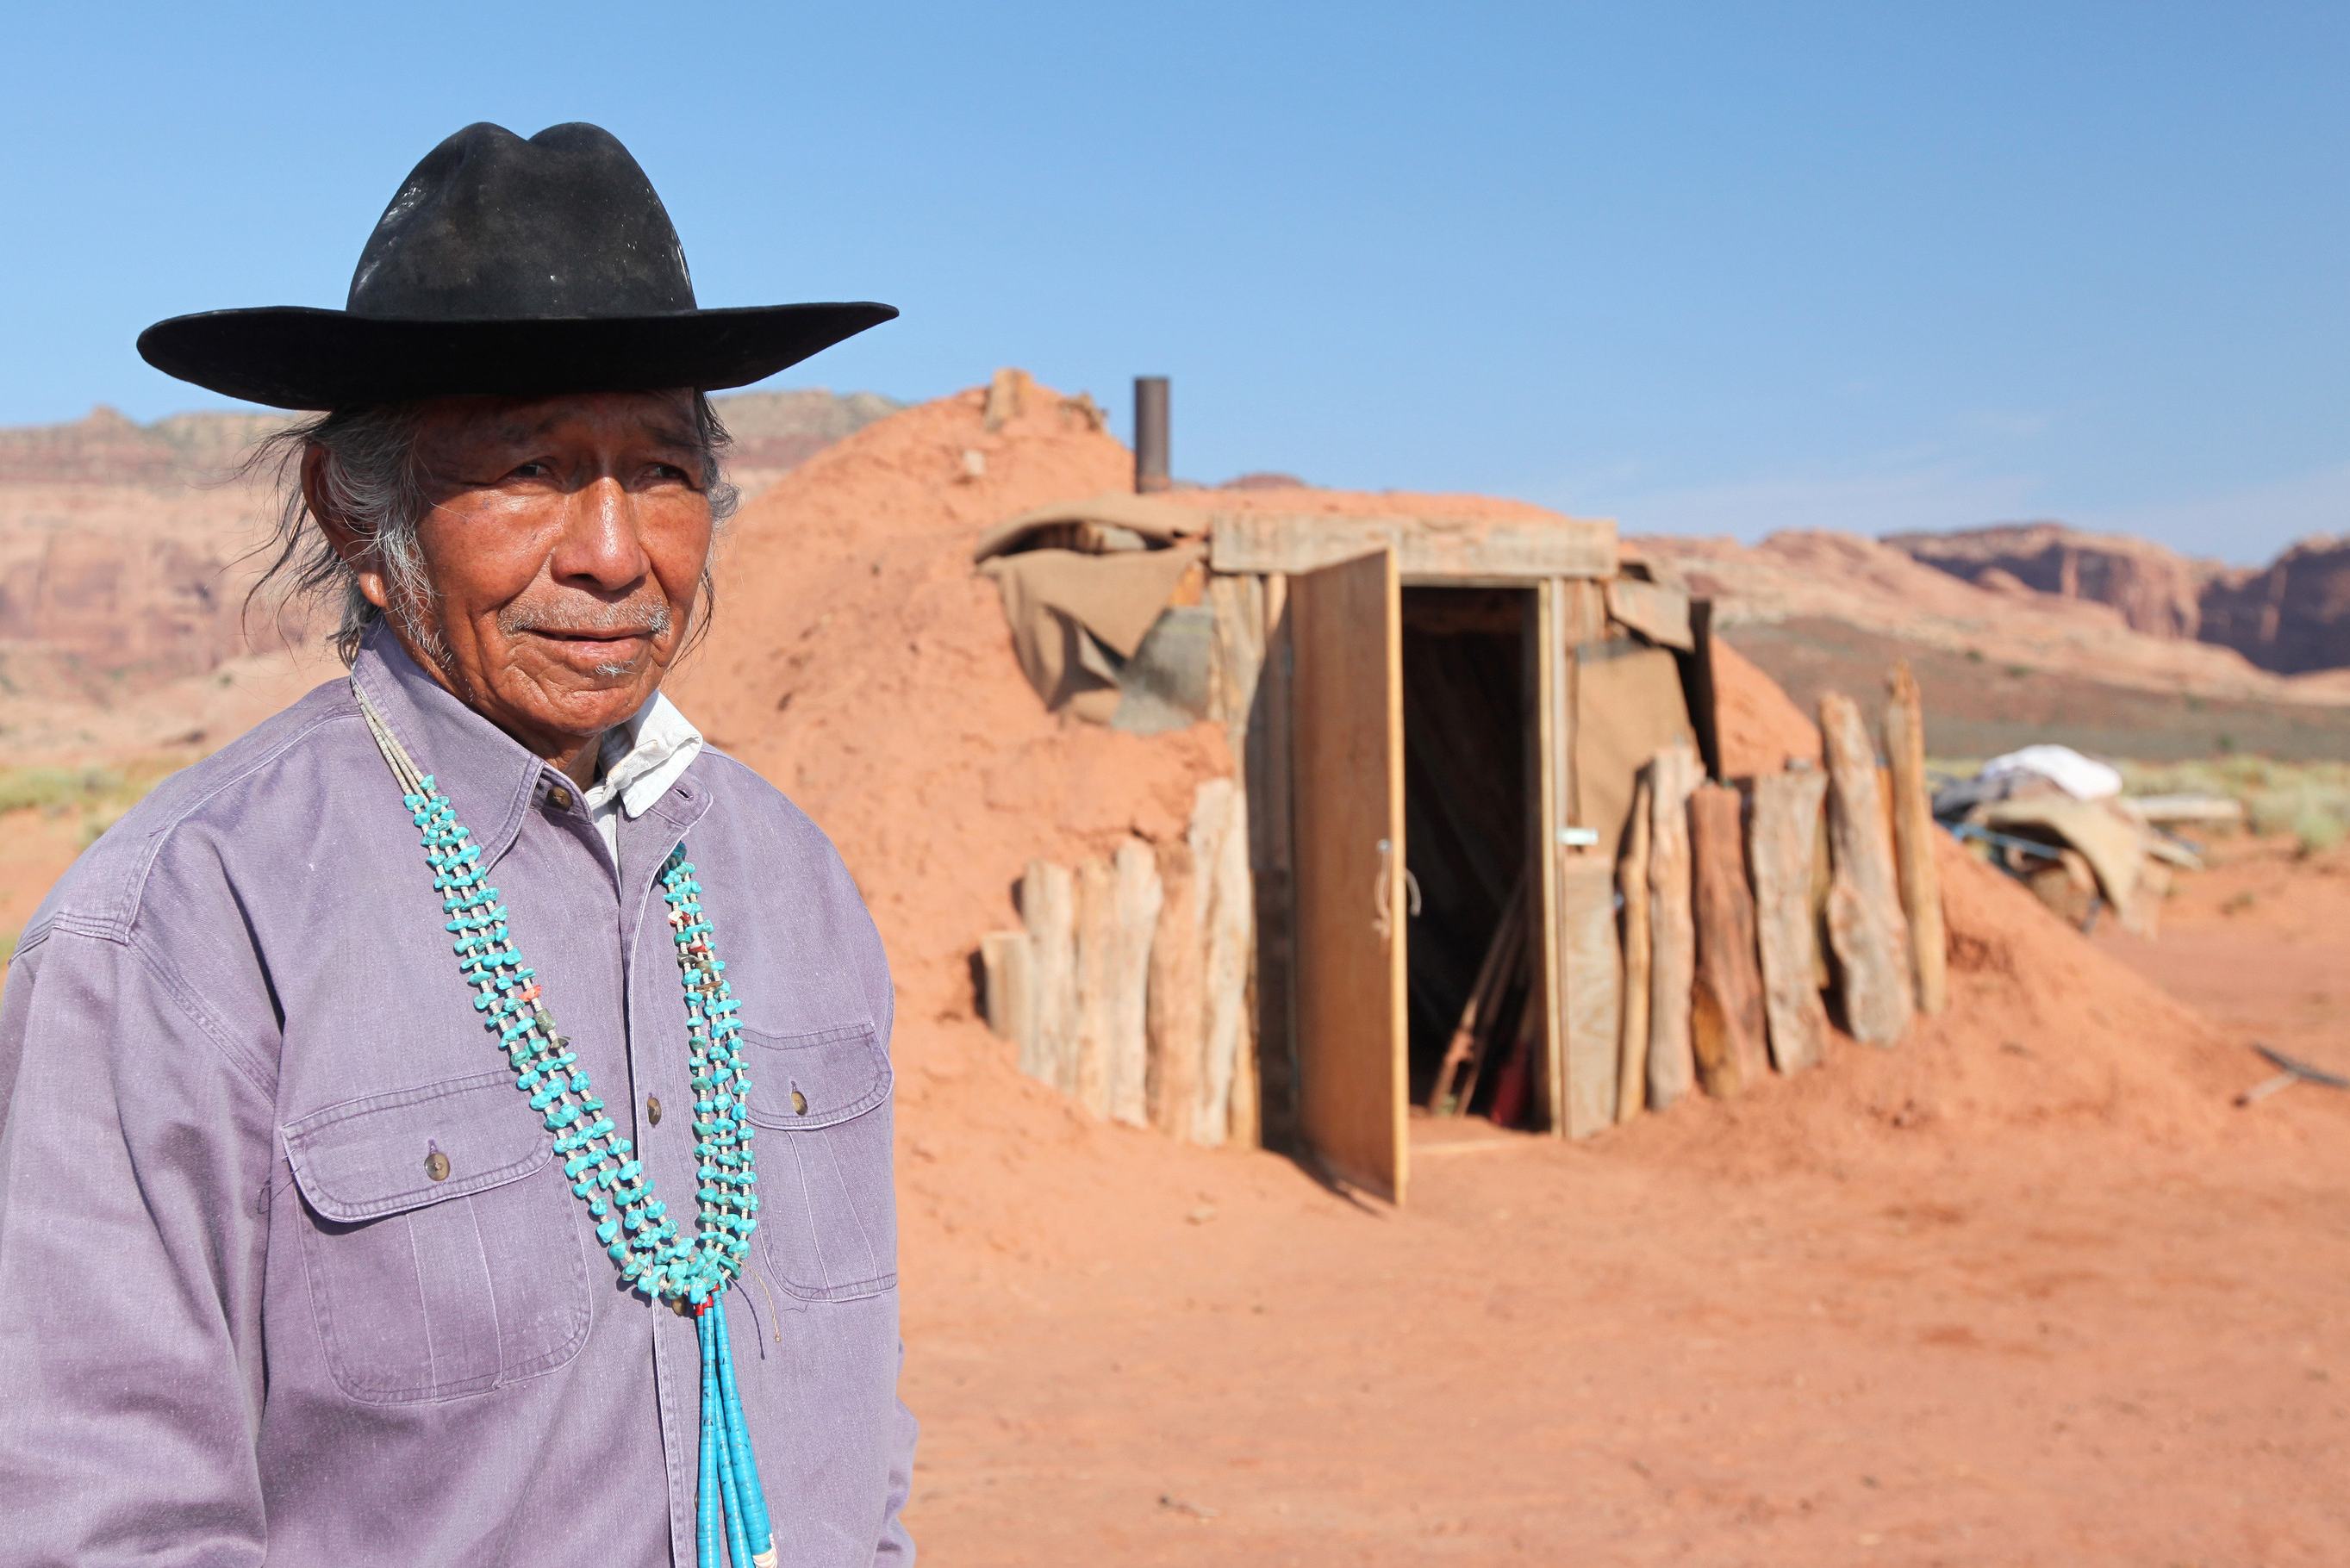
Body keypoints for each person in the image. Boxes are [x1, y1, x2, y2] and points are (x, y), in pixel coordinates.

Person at [0, 121, 913, 1566]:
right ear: (357, 514)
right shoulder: (183, 929)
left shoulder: (788, 884)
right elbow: (103, 1516)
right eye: (533, 468)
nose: (615, 551)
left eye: (663, 471)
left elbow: (856, 1454)